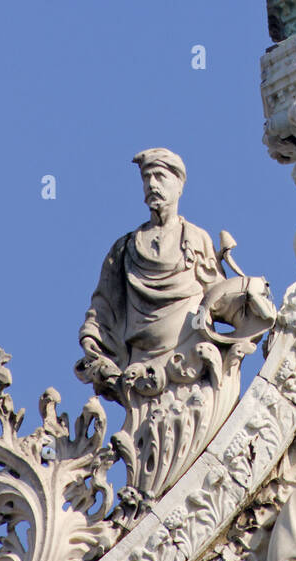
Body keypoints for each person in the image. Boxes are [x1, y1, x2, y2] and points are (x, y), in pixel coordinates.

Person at [75, 148, 223, 398]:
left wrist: (246, 296)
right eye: (146, 178)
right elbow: (104, 303)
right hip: (137, 363)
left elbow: (217, 296)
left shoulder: (197, 240)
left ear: (178, 186)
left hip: (187, 359)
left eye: (160, 177)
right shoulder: (125, 249)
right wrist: (91, 335)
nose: (152, 184)